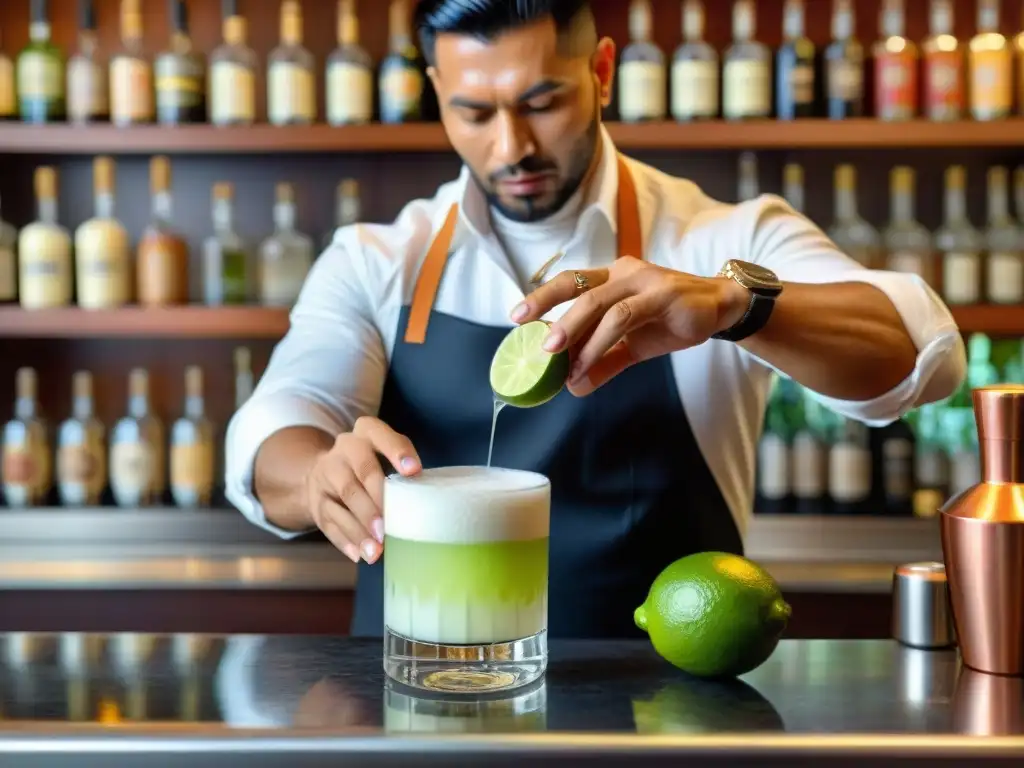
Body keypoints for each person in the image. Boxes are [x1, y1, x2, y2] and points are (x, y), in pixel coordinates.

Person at [225, 0, 966, 639]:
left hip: (661, 715)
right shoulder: (376, 259)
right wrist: (321, 472)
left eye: (542, 101)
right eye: (474, 112)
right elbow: (278, 426)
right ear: (436, 91)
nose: (511, 146)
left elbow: (924, 355)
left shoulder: (719, 240)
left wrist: (736, 305)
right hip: (426, 700)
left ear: (602, 72)